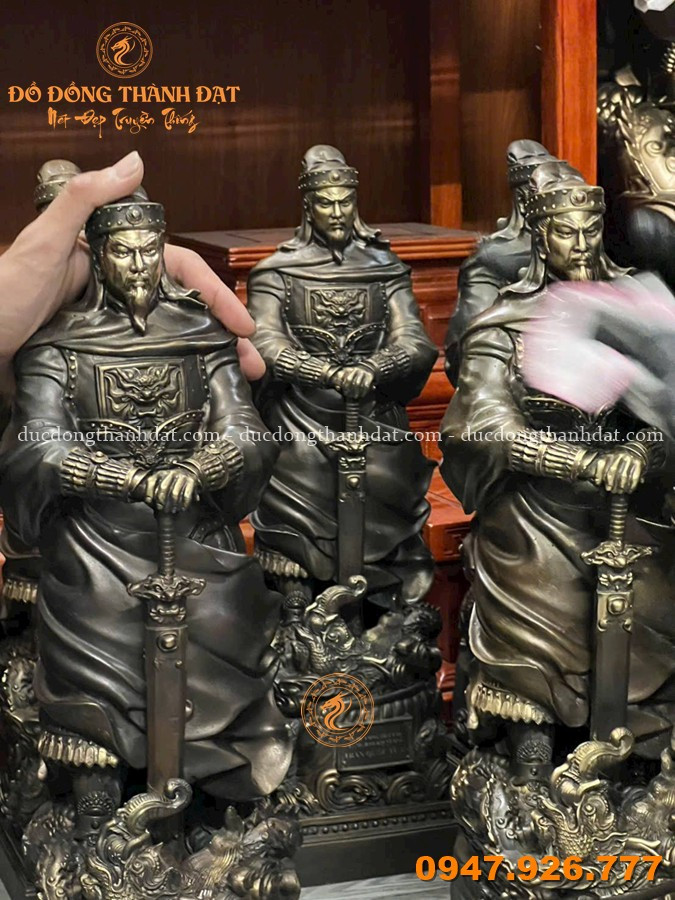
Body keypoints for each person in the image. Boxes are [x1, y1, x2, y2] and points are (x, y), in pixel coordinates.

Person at [0, 185, 291, 835]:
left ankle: (210, 799)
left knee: (228, 619)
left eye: (149, 251)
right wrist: (120, 476)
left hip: (195, 534)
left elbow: (246, 428)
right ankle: (97, 811)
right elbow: (36, 442)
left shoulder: (201, 333)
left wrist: (201, 468)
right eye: (122, 252)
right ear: (97, 256)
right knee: (97, 648)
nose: (138, 266)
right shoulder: (57, 344)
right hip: (95, 543)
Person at [440, 165, 674, 769]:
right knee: (535, 610)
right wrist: (577, 460)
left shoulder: (633, 308)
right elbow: (481, 424)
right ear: (541, 240)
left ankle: (634, 769)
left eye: (590, 230)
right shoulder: (505, 324)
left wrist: (642, 452)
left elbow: (665, 404)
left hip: (623, 510)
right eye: (565, 233)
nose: (580, 245)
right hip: (531, 513)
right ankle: (530, 774)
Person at [247, 145, 437, 606]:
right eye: (325, 203)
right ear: (307, 206)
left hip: (374, 417)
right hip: (299, 422)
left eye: (344, 202)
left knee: (387, 507)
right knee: (295, 513)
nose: (336, 212)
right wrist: (324, 372)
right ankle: (300, 616)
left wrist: (375, 367)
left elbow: (415, 340)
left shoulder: (385, 268)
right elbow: (264, 342)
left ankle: (383, 614)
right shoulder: (276, 272)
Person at [444, 141, 561, 384]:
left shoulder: (582, 252)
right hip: (513, 382)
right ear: (524, 200)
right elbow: (464, 346)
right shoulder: (493, 260)